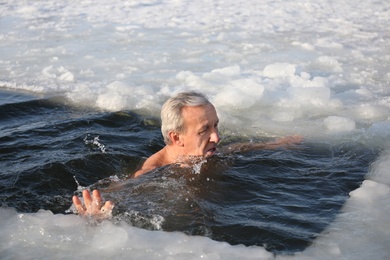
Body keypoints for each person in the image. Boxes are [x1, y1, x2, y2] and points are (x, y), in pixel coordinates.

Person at [72, 91, 302, 218]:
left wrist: (275, 144)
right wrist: (94, 214)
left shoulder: (204, 151)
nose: (217, 137)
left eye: (216, 126)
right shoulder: (153, 171)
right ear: (176, 138)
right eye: (204, 130)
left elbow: (238, 148)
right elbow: (123, 188)